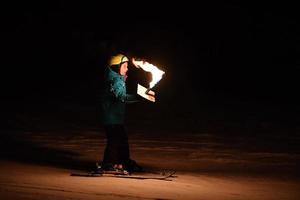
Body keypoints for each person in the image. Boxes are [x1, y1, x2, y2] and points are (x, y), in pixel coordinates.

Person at [99, 53, 155, 173]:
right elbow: (121, 97)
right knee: (114, 140)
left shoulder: (118, 79)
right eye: (124, 66)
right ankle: (109, 163)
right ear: (116, 67)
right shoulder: (114, 80)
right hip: (111, 119)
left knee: (122, 140)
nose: (127, 68)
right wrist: (139, 97)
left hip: (116, 119)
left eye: (127, 66)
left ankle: (122, 161)